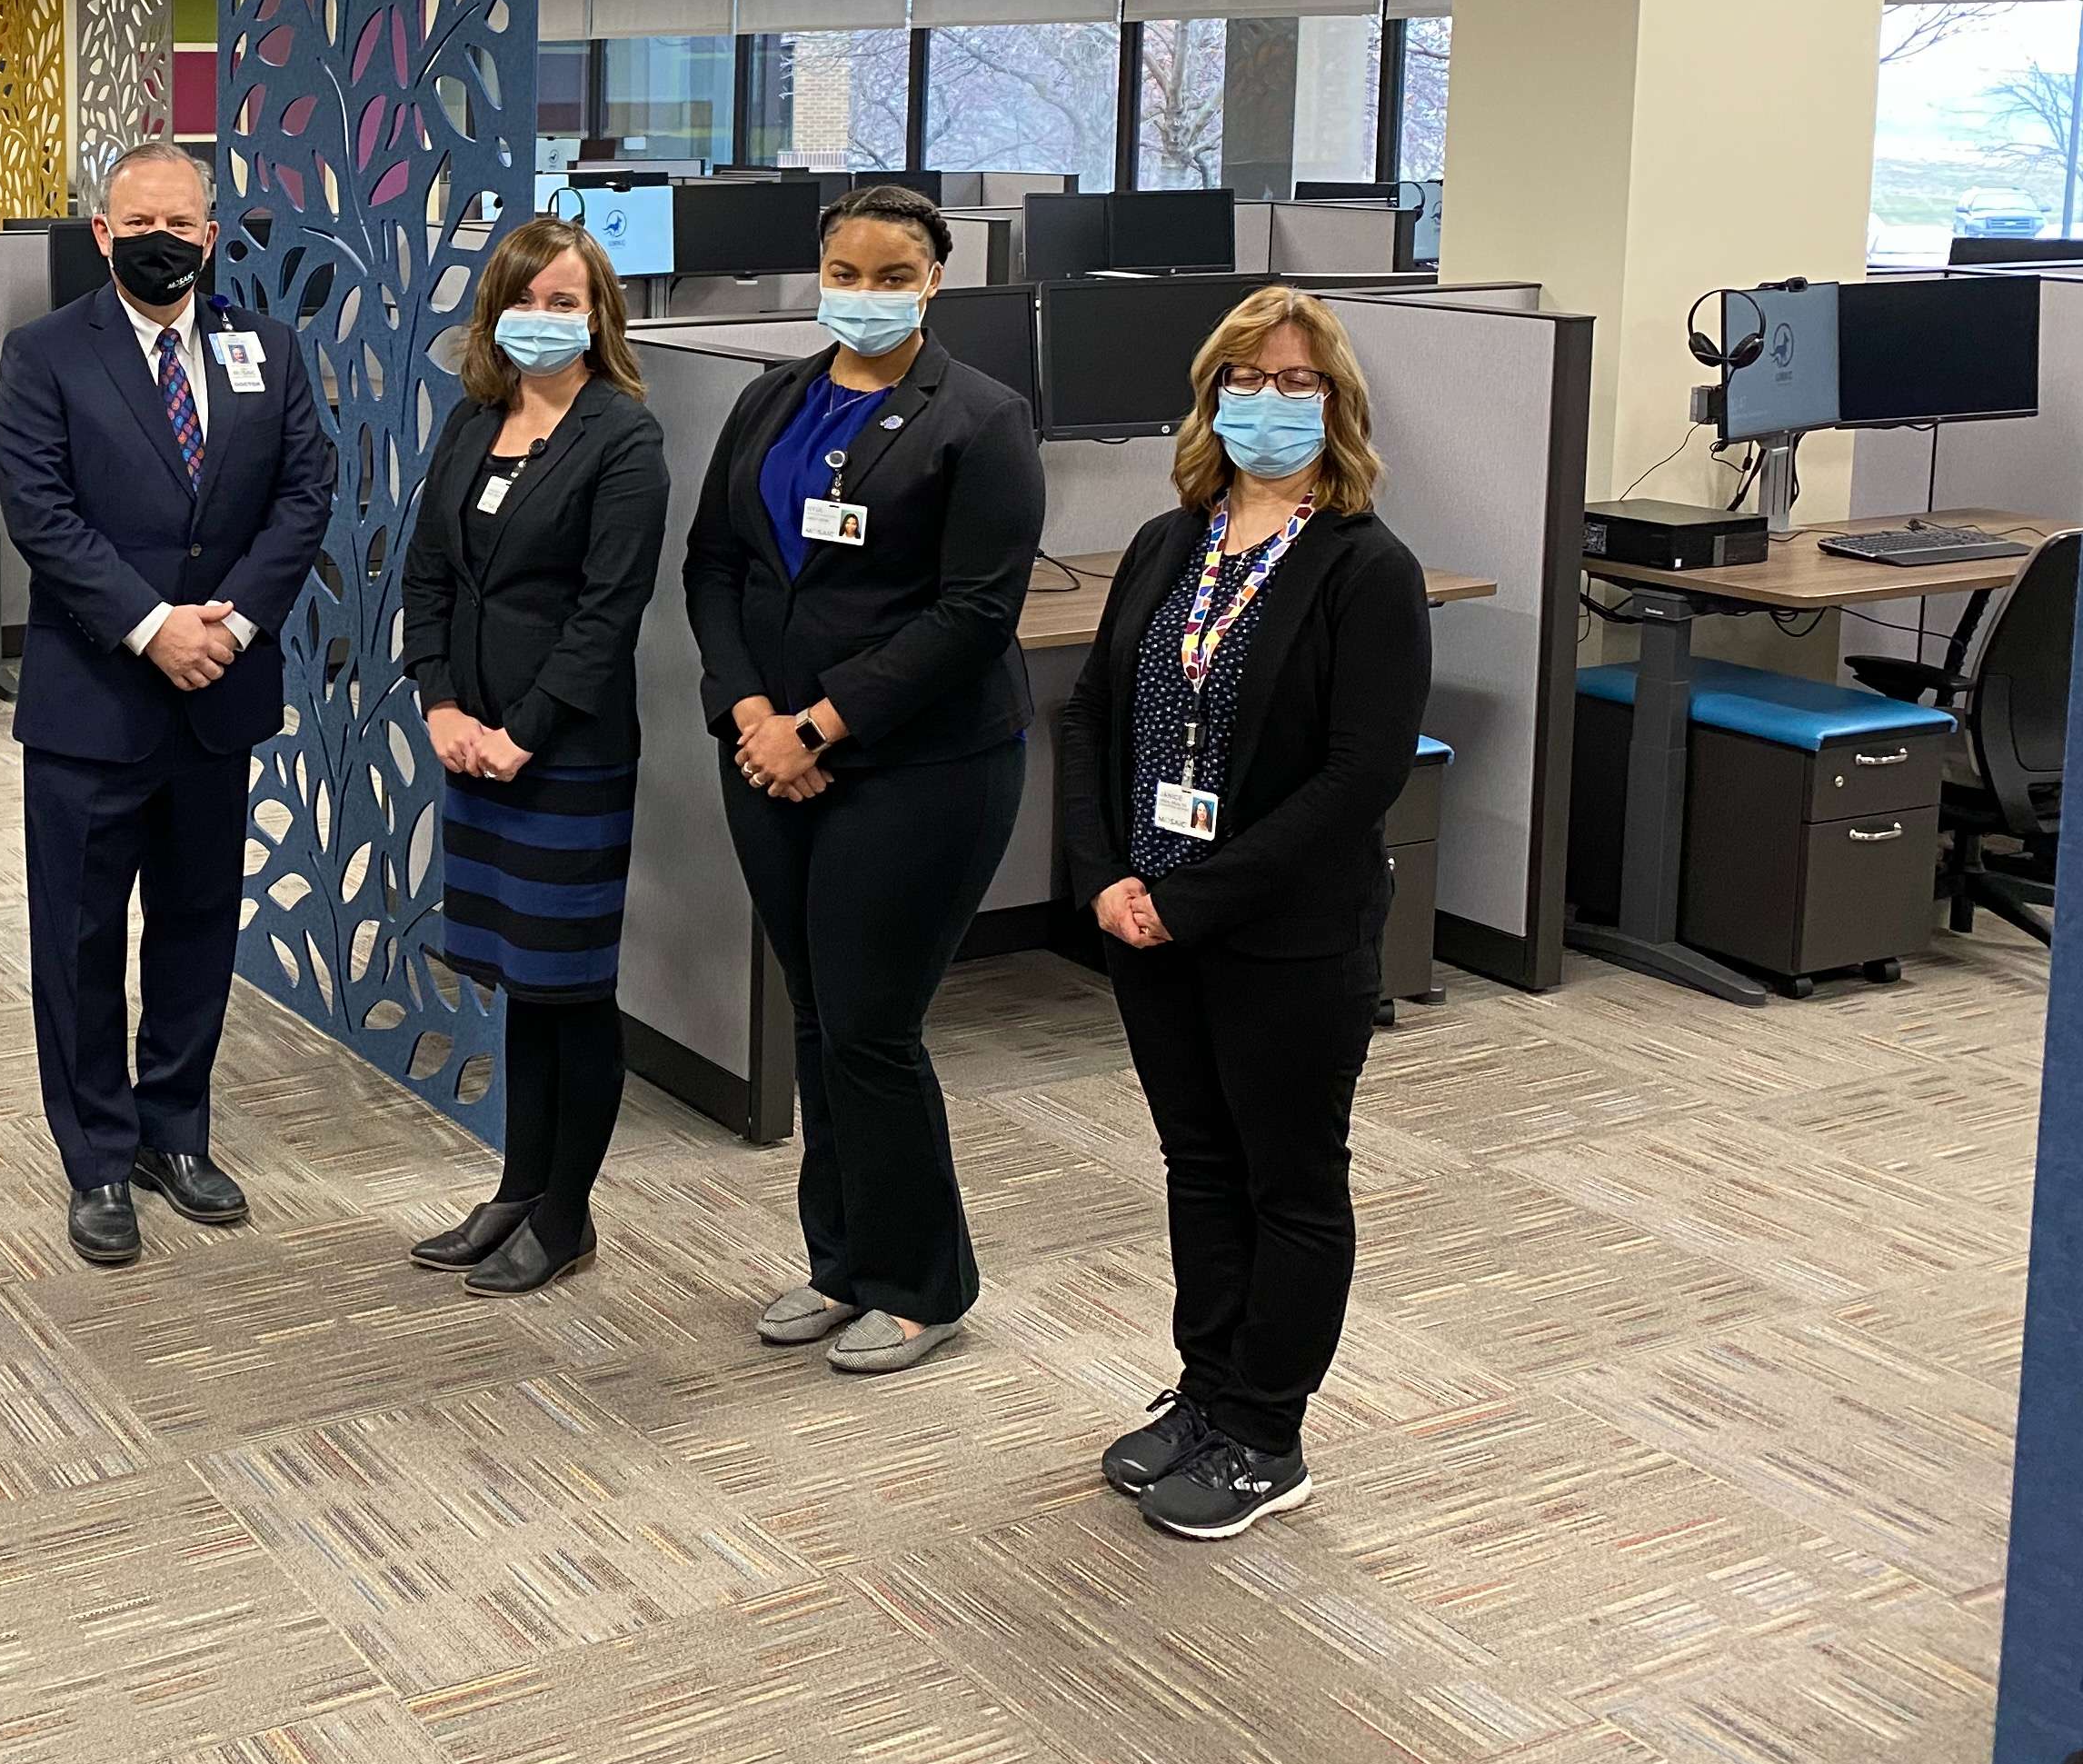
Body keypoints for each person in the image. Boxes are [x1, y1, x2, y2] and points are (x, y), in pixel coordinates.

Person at [1056, 284, 1431, 1541]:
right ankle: (1207, 1389)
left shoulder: (1364, 567)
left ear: (1338, 407)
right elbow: (1094, 715)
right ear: (1214, 396)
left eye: (1297, 384)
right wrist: (1107, 874)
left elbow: (1360, 776)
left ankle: (1270, 1431)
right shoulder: (1176, 540)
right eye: (1249, 381)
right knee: (1198, 1164)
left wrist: (1195, 897)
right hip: (1150, 915)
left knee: (1291, 1182)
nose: (1269, 405)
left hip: (1282, 930)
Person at [683, 182, 1044, 1378]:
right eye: (848, 271)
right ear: (819, 272)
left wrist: (820, 726)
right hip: (764, 751)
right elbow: (716, 567)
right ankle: (840, 1261)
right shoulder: (772, 398)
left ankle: (922, 1282)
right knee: (816, 1018)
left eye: (895, 275)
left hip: (917, 767)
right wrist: (749, 712)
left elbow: (976, 615)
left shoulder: (980, 419)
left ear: (934, 280)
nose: (868, 293)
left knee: (874, 1029)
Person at [0, 141, 336, 1268]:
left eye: (181, 223)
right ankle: (96, 1157)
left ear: (210, 231)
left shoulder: (264, 348)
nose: (161, 240)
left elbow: (304, 490)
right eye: (138, 222)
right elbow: (40, 514)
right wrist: (154, 626)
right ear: (102, 234)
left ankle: (173, 1130)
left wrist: (228, 624)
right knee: (82, 939)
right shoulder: (45, 353)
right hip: (96, 694)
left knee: (196, 926)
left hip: (218, 695)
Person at [399, 216, 670, 1295]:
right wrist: (440, 702)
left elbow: (610, 615)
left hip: (566, 754)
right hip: (471, 742)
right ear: (494, 311)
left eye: (568, 301)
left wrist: (524, 731)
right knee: (519, 980)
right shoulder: (474, 422)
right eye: (528, 298)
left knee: (571, 987)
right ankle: (517, 1186)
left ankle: (566, 1215)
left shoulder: (622, 438)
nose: (545, 319)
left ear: (600, 314)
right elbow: (427, 573)